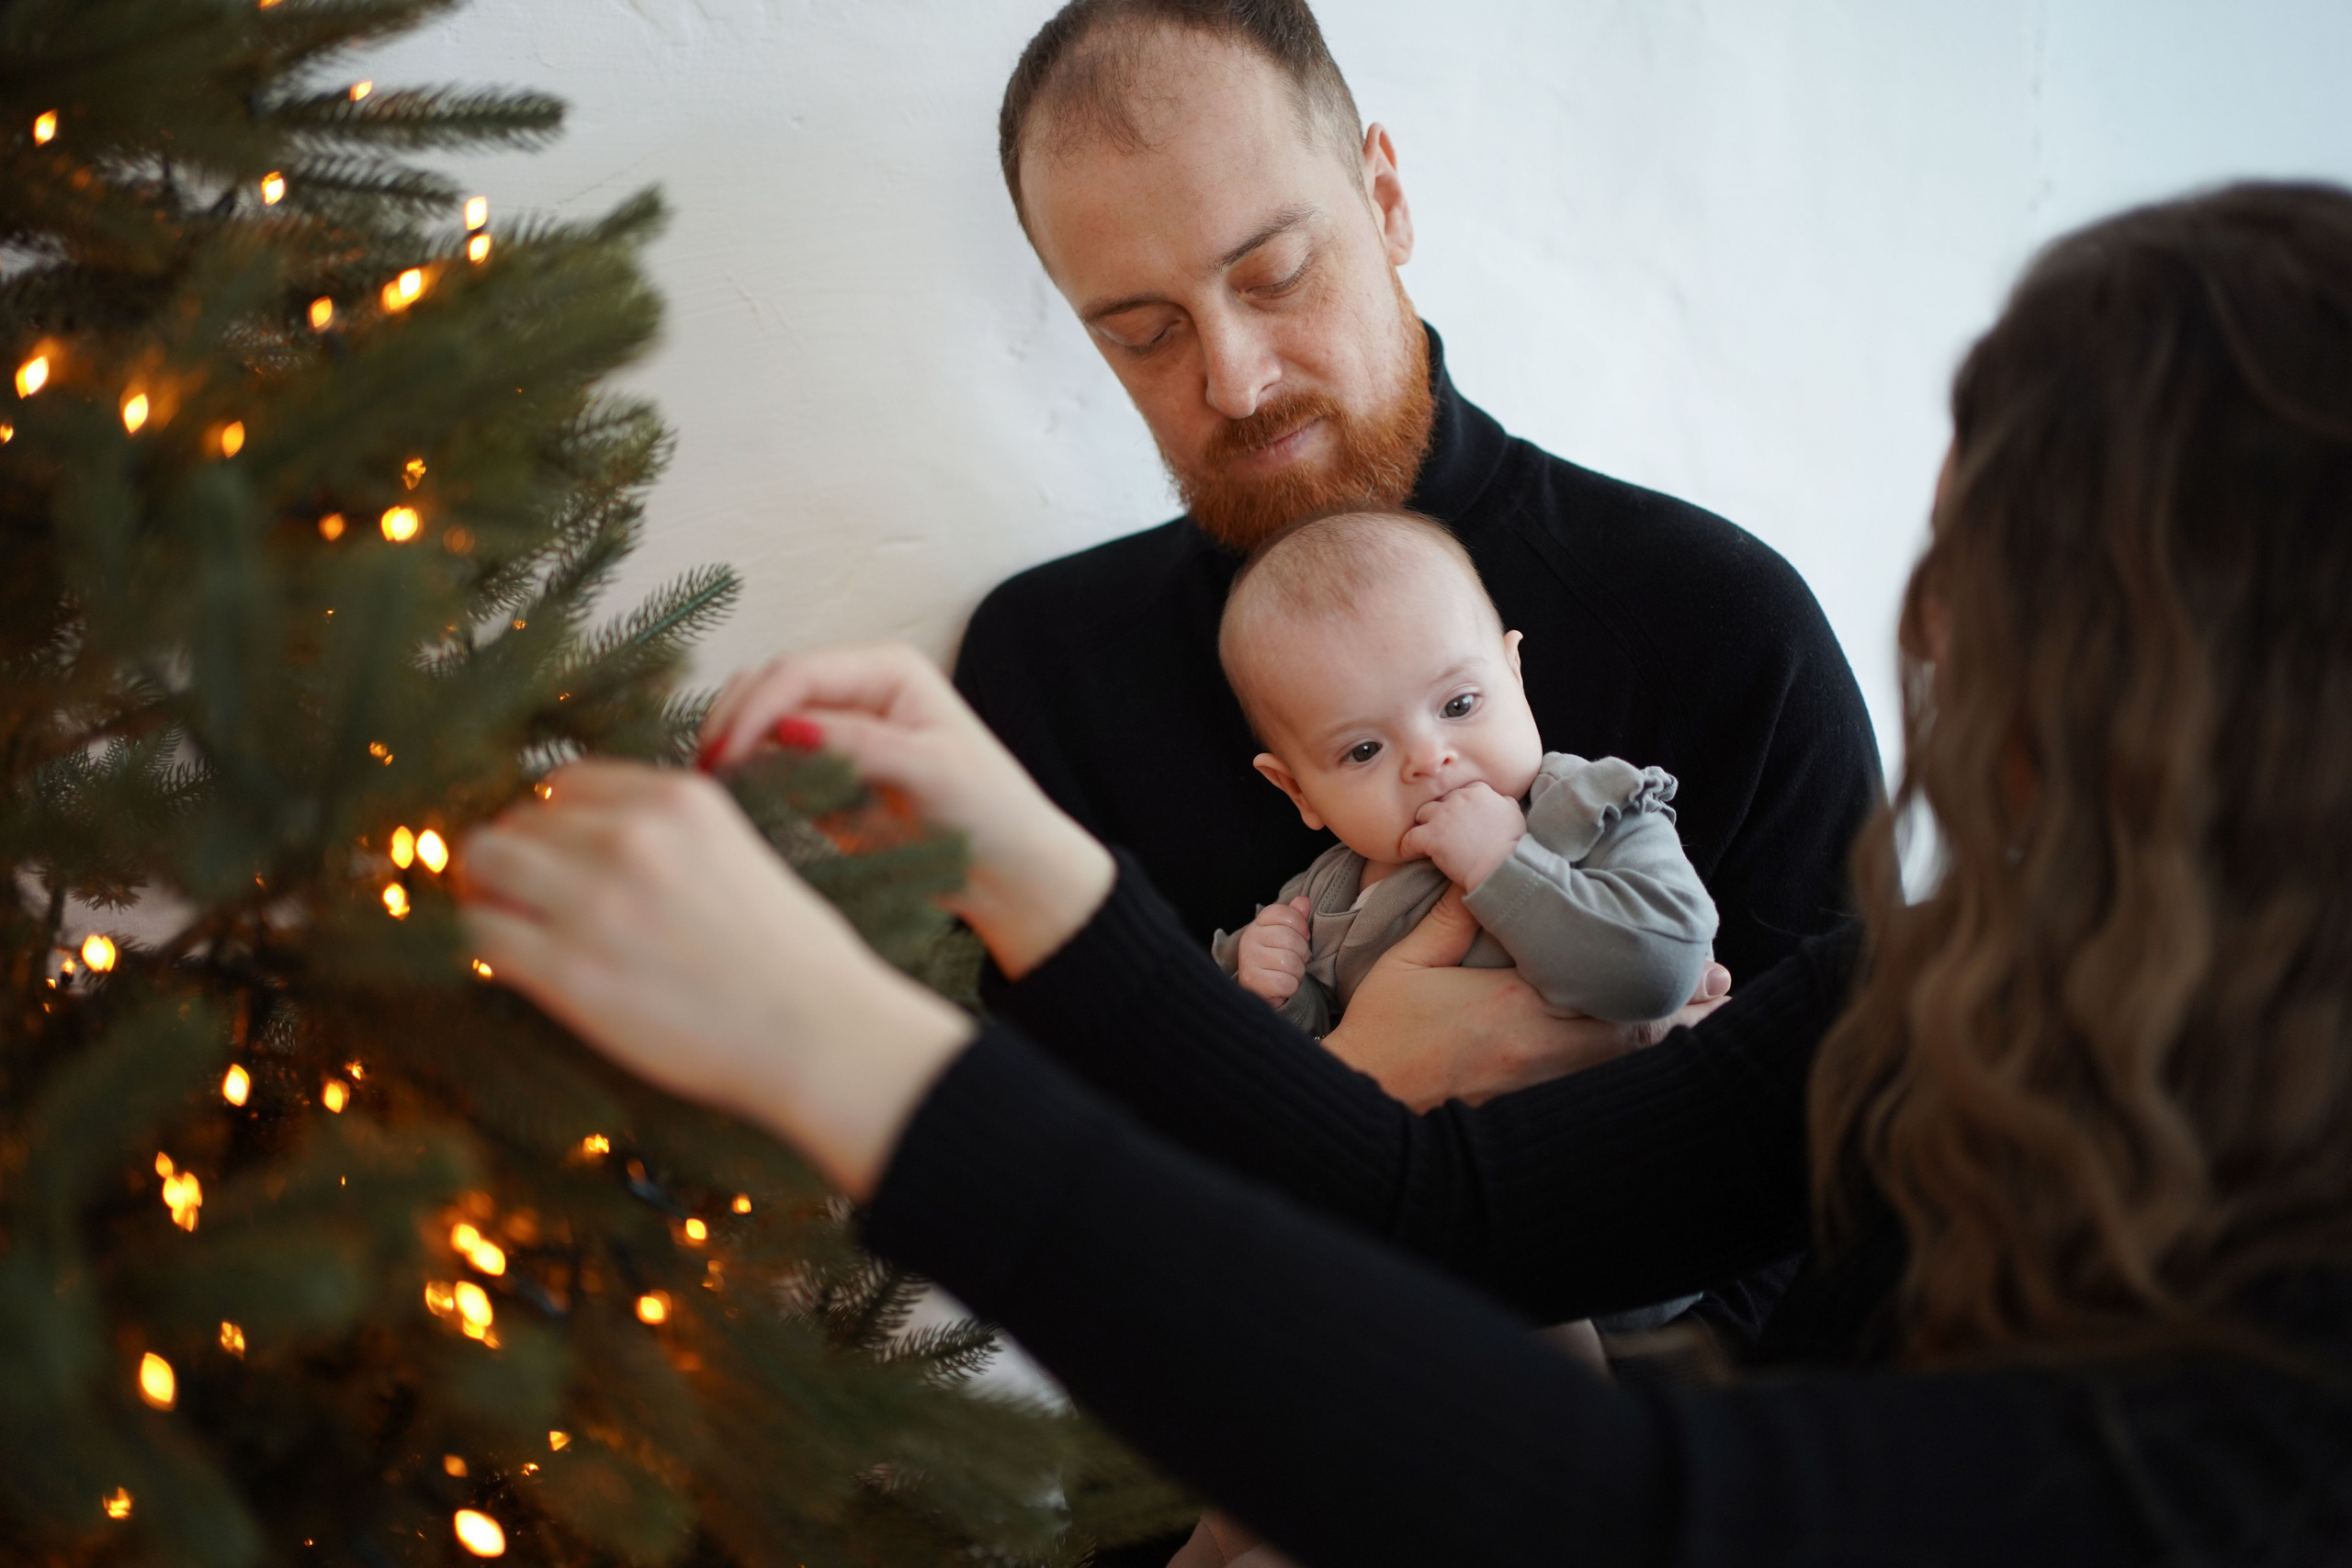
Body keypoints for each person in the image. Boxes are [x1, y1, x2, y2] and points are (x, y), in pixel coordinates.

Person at [460, 185, 2352, 1564]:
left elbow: (1607, 1513)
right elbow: (1450, 1206)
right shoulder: (1964, 980)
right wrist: (1031, 868)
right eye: (1133, 324)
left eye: (1972, 584)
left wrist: (840, 1056)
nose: (1928, 633)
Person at [955, 0, 1881, 1076]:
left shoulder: (1720, 621)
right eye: (1143, 334)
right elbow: (1043, 1195)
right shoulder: (1045, 670)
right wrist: (1359, 1094)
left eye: (1276, 275)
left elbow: (1864, 1177)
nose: (1234, 378)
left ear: (1385, 200)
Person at [1212, 507, 1716, 1045]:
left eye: (1458, 705)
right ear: (1298, 791)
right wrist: (1278, 997)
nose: (1429, 759)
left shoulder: (1591, 808)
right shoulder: (1316, 903)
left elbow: (1662, 972)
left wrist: (1502, 865)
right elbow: (1309, 1064)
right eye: (1363, 750)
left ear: (1515, 676)